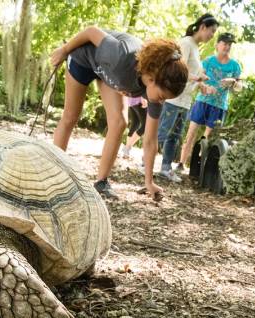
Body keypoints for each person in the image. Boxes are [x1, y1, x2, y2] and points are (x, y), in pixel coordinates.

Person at [50, 27, 189, 200]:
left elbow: (150, 140)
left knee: (119, 122)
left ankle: (101, 183)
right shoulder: (122, 56)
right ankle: (53, 171)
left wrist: (149, 181)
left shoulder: (154, 92)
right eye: (162, 97)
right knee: (71, 116)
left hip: (107, 73)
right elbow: (91, 32)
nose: (161, 102)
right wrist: (64, 50)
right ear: (152, 78)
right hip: (83, 59)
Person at [156, 13, 219, 182]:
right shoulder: (186, 43)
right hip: (173, 98)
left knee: (175, 136)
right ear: (203, 26)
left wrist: (202, 86)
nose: (212, 35)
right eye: (211, 31)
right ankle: (144, 163)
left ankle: (166, 168)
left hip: (185, 100)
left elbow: (192, 75)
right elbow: (178, 69)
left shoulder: (196, 48)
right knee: (162, 133)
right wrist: (198, 79)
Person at [178, 32, 242, 170]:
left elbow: (239, 88)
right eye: (224, 43)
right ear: (217, 45)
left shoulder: (235, 66)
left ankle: (199, 169)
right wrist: (204, 87)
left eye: (229, 44)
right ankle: (181, 163)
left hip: (219, 106)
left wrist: (233, 82)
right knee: (191, 133)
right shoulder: (208, 61)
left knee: (208, 139)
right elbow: (198, 79)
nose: (227, 47)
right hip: (202, 102)